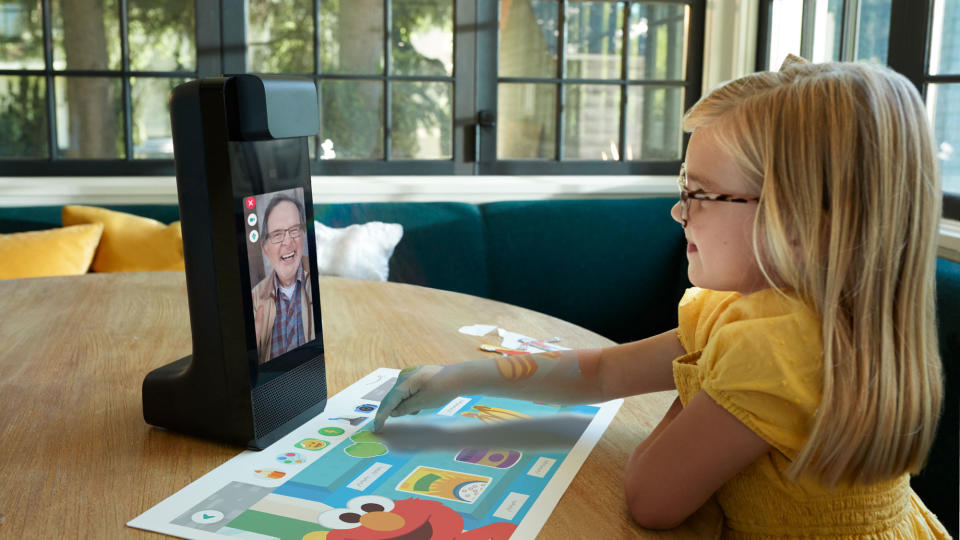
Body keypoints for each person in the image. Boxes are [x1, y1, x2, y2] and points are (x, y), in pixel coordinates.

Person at [372, 57, 950, 537]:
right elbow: (601, 372)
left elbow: (651, 499)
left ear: (799, 221)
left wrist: (695, 384)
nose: (679, 212)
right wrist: (455, 379)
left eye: (700, 193)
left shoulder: (777, 346)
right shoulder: (750, 308)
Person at [252, 194, 316, 365]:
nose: (288, 241)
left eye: (294, 230)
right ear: (265, 248)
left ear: (303, 235)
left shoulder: (319, 281)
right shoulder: (254, 298)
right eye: (277, 234)